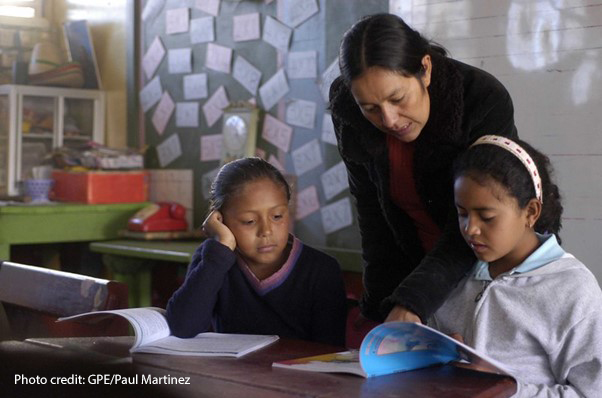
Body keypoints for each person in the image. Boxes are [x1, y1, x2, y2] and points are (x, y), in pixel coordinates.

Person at [329, 13, 518, 325]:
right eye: (371, 108)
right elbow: (373, 217)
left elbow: (480, 221)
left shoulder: (482, 99)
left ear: (425, 70)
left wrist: (413, 300)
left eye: (398, 98)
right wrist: (376, 311)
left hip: (493, 270)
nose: (389, 120)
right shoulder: (349, 112)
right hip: (421, 275)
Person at [430, 135, 602, 398]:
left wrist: (508, 389)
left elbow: (592, 393)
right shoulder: (455, 272)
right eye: (462, 213)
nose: (470, 229)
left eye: (486, 217)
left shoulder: (571, 289)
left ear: (531, 212)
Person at [166, 157, 347, 346]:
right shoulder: (213, 259)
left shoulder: (321, 270)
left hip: (297, 375)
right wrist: (219, 252)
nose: (266, 231)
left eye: (277, 216)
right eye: (249, 221)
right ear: (220, 220)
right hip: (231, 374)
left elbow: (330, 353)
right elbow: (183, 327)